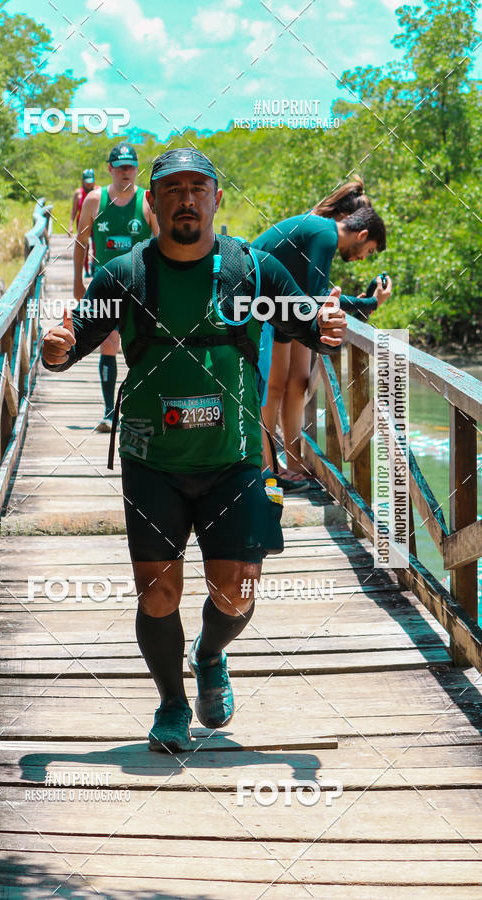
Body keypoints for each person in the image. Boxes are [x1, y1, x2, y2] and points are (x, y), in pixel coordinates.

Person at [42, 148, 347, 753]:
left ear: (216, 198)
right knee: (158, 591)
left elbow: (307, 326)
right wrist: (56, 347)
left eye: (197, 188)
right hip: (151, 458)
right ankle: (172, 705)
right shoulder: (124, 276)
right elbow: (72, 340)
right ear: (151, 202)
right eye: (172, 189)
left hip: (235, 457)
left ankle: (210, 656)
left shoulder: (253, 271)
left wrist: (330, 328)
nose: (186, 199)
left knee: (237, 592)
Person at [254, 186, 392, 487]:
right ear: (362, 234)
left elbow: (315, 298)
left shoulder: (324, 232)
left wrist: (359, 304)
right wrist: (370, 303)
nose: (360, 259)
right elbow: (318, 300)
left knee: (296, 383)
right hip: (256, 303)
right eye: (367, 252)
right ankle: (267, 470)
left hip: (278, 305)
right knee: (272, 388)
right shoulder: (325, 235)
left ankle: (291, 461)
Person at [74, 143, 158, 433]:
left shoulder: (147, 202)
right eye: (120, 166)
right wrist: (77, 281)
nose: (126, 171)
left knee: (140, 345)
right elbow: (81, 242)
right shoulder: (94, 201)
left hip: (141, 284)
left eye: (131, 166)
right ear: (109, 168)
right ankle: (110, 411)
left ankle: (139, 407)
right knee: (107, 342)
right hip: (105, 284)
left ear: (137, 168)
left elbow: (161, 245)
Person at [68, 168, 96, 277]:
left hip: (96, 223)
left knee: (96, 246)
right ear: (82, 181)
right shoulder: (78, 193)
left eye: (91, 181)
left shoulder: (98, 191)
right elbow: (74, 211)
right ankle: (86, 270)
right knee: (84, 246)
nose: (89, 185)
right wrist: (70, 226)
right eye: (87, 182)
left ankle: (94, 267)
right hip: (82, 223)